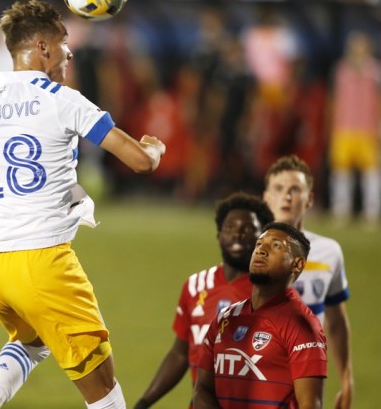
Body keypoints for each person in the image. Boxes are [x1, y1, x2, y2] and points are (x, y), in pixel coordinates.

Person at [0, 0, 166, 409]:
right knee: (105, 392)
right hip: (42, 262)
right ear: (42, 47)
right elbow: (140, 162)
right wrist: (156, 149)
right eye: (64, 47)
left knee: (31, 340)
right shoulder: (63, 99)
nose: (69, 56)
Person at [134, 192, 274, 408]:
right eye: (229, 228)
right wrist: (144, 402)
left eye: (247, 229)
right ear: (219, 235)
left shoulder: (271, 294)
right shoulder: (195, 285)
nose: (237, 235)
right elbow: (180, 354)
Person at [193, 222, 327, 408]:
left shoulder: (301, 325)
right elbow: (203, 389)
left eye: (276, 246)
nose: (261, 251)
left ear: (297, 264)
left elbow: (310, 404)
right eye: (259, 244)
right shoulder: (225, 318)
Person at [263, 154, 353, 408]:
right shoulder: (249, 251)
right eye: (279, 189)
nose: (287, 197)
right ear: (266, 197)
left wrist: (347, 377)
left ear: (310, 199)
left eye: (295, 189)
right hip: (259, 371)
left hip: (308, 373)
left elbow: (335, 321)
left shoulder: (329, 252)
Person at [328, 30, 381, 227]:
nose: (357, 50)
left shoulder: (376, 71)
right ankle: (341, 210)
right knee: (341, 173)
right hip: (344, 128)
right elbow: (335, 100)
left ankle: (372, 212)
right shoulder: (341, 70)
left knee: (372, 173)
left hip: (368, 129)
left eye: (361, 46)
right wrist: (332, 125)